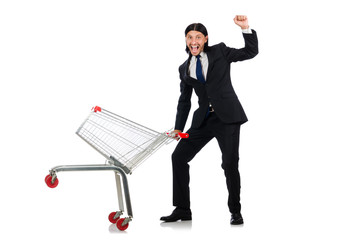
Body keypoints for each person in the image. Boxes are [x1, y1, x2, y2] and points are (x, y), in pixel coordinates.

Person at [160, 15, 258, 225]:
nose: (193, 41)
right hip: (203, 120)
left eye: (197, 37)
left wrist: (246, 29)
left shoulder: (220, 52)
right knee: (178, 157)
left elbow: (250, 52)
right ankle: (182, 209)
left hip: (227, 118)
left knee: (229, 164)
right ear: (186, 40)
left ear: (205, 39)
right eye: (189, 37)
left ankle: (235, 211)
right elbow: (184, 100)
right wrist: (178, 128)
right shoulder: (183, 68)